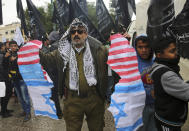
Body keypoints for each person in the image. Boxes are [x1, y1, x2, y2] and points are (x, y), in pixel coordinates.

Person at [40, 18, 108, 131]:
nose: (76, 34)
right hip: (72, 100)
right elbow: (46, 60)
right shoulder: (62, 52)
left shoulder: (98, 50)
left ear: (86, 34)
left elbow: (116, 60)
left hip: (94, 98)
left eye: (80, 31)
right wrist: (33, 51)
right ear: (70, 35)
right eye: (73, 32)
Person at [150, 37, 189, 131]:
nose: (176, 53)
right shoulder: (165, 74)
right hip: (168, 122)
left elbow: (179, 85)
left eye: (176, 49)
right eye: (172, 51)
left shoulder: (160, 66)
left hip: (165, 116)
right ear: (159, 55)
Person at [3, 41, 31, 122]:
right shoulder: (8, 55)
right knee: (20, 97)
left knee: (25, 97)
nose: (13, 47)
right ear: (10, 47)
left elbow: (24, 64)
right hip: (14, 80)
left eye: (15, 46)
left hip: (22, 79)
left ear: (17, 46)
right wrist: (6, 58)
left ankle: (28, 112)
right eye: (12, 46)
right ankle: (24, 111)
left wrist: (15, 60)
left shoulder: (21, 54)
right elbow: (5, 66)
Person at [135, 35, 157, 131]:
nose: (144, 50)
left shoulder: (156, 63)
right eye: (140, 47)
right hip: (139, 108)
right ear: (136, 48)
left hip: (155, 106)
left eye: (147, 47)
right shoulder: (132, 64)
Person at [0, 42, 13, 118]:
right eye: (4, 46)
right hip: (3, 78)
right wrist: (6, 58)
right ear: (1, 47)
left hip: (3, 78)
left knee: (4, 95)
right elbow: (2, 67)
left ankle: (4, 110)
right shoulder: (2, 55)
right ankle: (3, 112)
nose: (5, 47)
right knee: (6, 94)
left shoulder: (3, 54)